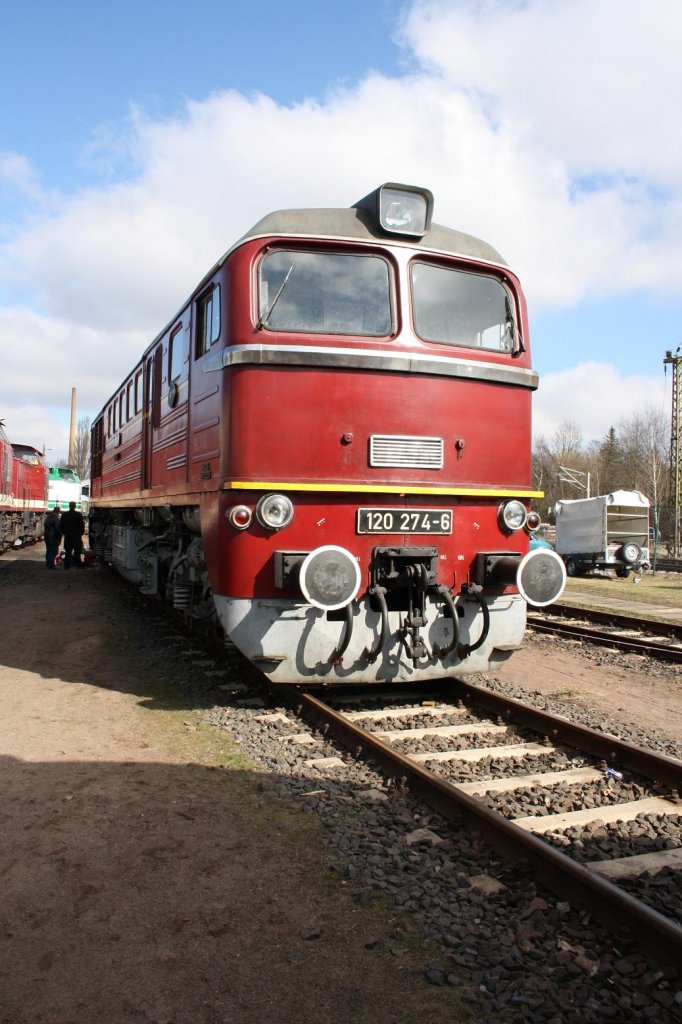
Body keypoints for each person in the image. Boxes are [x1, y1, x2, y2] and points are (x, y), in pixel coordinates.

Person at [59, 501, 85, 569]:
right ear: (75, 506)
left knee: (68, 552)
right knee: (77, 552)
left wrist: (65, 533)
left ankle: (67, 566)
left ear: (69, 506)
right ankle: (78, 565)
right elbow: (82, 526)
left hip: (68, 536)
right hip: (76, 536)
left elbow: (61, 526)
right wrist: (80, 533)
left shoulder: (64, 515)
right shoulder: (79, 515)